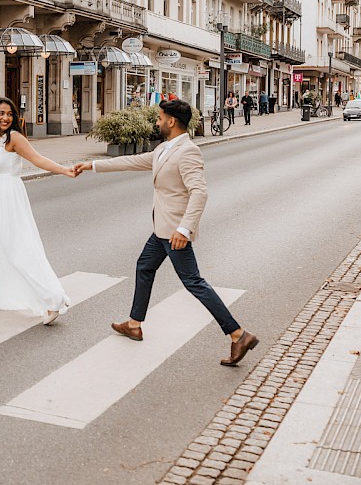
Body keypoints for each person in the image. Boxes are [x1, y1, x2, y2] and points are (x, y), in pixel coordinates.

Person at [73, 100, 259, 366]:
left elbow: (200, 192)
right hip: (162, 228)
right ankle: (135, 324)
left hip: (174, 231)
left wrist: (184, 228)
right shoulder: (164, 149)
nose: (157, 122)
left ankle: (238, 334)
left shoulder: (188, 152)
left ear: (171, 121)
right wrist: (91, 165)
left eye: (160, 117)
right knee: (144, 266)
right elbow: (133, 161)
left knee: (194, 282)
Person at [0, 97, 78, 324]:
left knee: (18, 249)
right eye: (0, 113)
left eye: (9, 114)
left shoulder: (14, 138)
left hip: (9, 196)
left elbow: (38, 159)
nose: (5, 118)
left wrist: (64, 170)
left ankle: (52, 301)